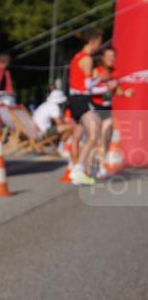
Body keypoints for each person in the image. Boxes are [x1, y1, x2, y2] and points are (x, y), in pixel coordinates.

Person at [66, 28, 106, 185]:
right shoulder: (87, 59)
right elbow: (88, 86)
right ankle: (78, 169)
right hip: (81, 99)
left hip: (76, 99)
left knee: (80, 135)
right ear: (94, 41)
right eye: (100, 41)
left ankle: (77, 168)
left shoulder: (77, 57)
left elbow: (82, 83)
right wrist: (104, 84)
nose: (100, 45)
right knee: (94, 134)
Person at [90, 47, 134, 178]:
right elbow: (89, 88)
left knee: (105, 138)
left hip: (107, 108)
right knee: (94, 139)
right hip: (94, 107)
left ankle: (102, 167)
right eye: (108, 56)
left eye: (113, 56)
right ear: (102, 58)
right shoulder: (96, 71)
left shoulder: (115, 72)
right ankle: (91, 165)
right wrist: (102, 83)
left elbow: (117, 91)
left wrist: (126, 93)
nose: (111, 59)